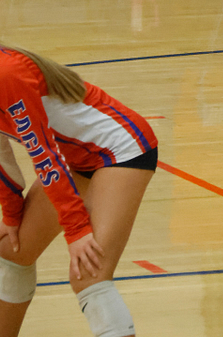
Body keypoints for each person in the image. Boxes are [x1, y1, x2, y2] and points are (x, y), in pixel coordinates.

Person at [0, 44, 157, 337]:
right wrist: (11, 215)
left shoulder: (6, 73)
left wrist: (77, 230)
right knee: (12, 252)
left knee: (88, 274)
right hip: (76, 158)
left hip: (119, 149)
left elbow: (44, 156)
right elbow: (1, 157)